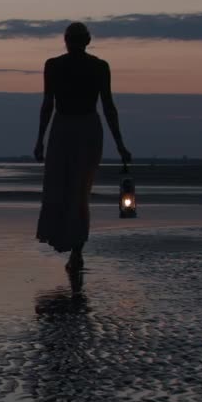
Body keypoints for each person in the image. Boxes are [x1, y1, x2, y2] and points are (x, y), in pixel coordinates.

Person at [34, 22, 133, 272]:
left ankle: (76, 251)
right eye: (73, 39)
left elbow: (108, 106)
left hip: (81, 127)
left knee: (74, 190)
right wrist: (40, 139)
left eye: (75, 39)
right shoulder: (59, 66)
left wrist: (120, 143)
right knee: (69, 189)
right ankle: (74, 248)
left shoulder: (92, 67)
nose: (74, 43)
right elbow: (49, 104)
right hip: (70, 127)